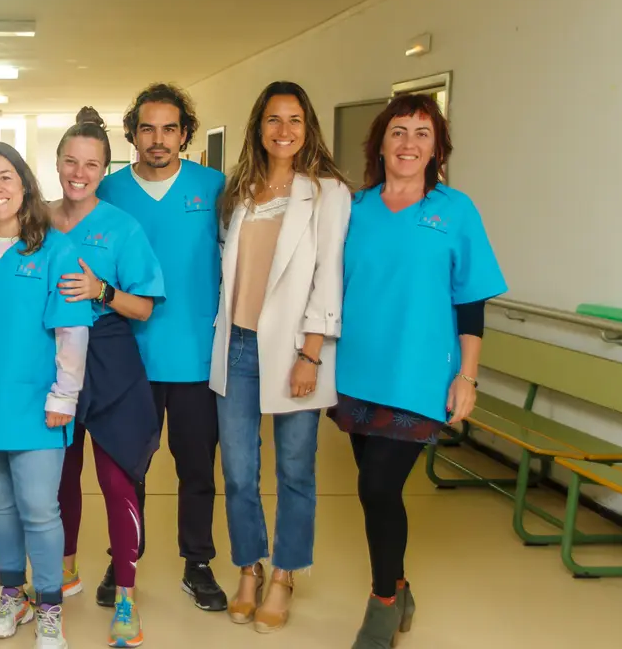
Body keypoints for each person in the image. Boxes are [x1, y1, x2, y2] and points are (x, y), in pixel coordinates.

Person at [327, 93, 506, 648]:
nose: (409, 143)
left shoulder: (456, 211)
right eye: (398, 132)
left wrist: (467, 376)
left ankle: (382, 600)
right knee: (371, 489)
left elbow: (472, 301)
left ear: (437, 148)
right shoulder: (353, 209)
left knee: (379, 485)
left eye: (422, 134)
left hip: (419, 374)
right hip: (355, 371)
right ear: (380, 142)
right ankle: (399, 584)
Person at [210, 81, 352, 633]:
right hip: (238, 346)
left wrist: (311, 354)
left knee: (295, 470)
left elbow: (328, 276)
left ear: (308, 126)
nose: (284, 130)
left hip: (297, 350)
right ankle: (249, 565)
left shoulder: (327, 192)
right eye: (274, 120)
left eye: (294, 120)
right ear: (259, 127)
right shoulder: (239, 192)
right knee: (239, 471)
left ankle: (285, 573)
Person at [0, 142, 93, 649]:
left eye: (6, 177)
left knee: (38, 508)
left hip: (38, 404)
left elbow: (73, 332)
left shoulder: (55, 250)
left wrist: (65, 396)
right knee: (2, 506)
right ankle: (14, 595)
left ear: (26, 185)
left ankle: (50, 606)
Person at [95, 83, 228, 611]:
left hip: (196, 355)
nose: (158, 139)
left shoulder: (214, 187)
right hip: (128, 359)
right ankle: (123, 559)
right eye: (147, 128)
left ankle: (197, 563)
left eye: (169, 128)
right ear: (131, 134)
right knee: (128, 467)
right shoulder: (108, 191)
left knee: (197, 467)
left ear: (185, 135)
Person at [49, 108, 164, 648]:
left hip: (112, 360)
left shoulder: (123, 227)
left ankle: (126, 596)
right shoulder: (38, 219)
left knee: (118, 482)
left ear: (104, 169)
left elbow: (144, 307)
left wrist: (101, 291)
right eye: (70, 160)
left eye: (91, 164)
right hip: (49, 362)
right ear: (57, 163)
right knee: (57, 478)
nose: (79, 171)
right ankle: (62, 571)